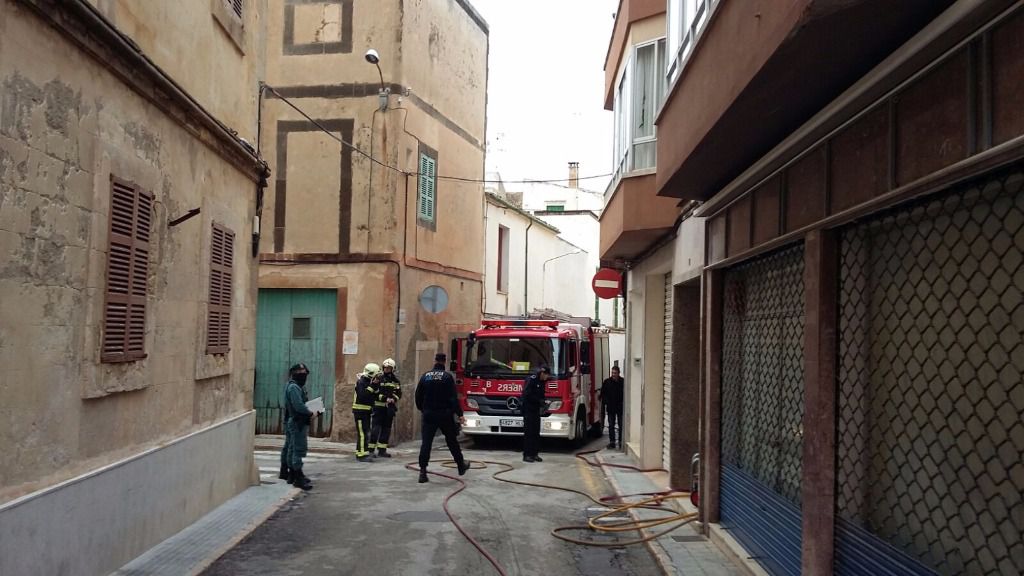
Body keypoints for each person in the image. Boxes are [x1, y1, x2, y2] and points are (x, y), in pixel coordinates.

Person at [415, 353, 469, 483]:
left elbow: (418, 396)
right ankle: (461, 465)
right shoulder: (447, 377)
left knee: (426, 443)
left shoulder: (425, 376)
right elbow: (453, 399)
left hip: (429, 414)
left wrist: (423, 410)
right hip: (445, 414)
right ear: (445, 361)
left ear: (435, 361)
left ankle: (422, 472)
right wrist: (460, 414)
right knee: (452, 441)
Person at [283, 363, 316, 490]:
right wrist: (310, 412)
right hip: (298, 422)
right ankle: (297, 477)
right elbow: (299, 405)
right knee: (298, 449)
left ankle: (294, 475)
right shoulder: (294, 387)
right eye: (301, 373)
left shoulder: (294, 386)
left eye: (305, 373)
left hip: (296, 421)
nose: (304, 376)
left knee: (292, 448)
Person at [369, 358, 402, 457]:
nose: (387, 369)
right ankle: (370, 450)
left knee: (386, 429)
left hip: (389, 409)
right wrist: (385, 398)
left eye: (389, 368)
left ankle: (382, 450)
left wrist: (393, 399)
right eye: (385, 368)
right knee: (375, 429)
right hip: (378, 408)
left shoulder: (395, 381)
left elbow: (399, 393)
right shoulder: (378, 378)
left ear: (393, 369)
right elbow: (375, 393)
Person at [353, 363, 381, 462]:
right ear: (371, 373)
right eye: (376, 375)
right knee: (362, 434)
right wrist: (372, 386)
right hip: (360, 411)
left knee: (365, 432)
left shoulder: (369, 382)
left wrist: (376, 386)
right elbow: (363, 396)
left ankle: (361, 451)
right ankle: (361, 455)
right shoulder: (361, 382)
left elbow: (375, 396)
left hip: (366, 411)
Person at [520, 365, 549, 463]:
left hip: (536, 410)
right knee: (529, 433)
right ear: (542, 373)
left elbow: (541, 395)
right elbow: (527, 395)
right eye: (546, 375)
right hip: (528, 410)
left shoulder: (542, 382)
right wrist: (539, 401)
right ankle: (527, 455)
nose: (547, 377)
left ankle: (534, 454)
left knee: (536, 432)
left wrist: (544, 402)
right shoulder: (531, 380)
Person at [600, 365, 625, 449]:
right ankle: (612, 442)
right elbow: (603, 394)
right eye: (612, 373)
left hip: (620, 407)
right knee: (611, 425)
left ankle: (621, 441)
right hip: (611, 407)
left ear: (619, 373)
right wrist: (606, 402)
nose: (613, 374)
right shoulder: (607, 382)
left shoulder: (623, 382)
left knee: (621, 425)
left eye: (615, 373)